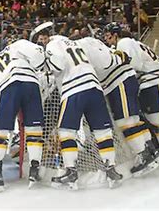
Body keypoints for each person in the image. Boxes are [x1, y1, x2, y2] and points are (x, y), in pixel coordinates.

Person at [77, 36, 159, 176]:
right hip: (126, 80)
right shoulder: (94, 44)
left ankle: (143, 155)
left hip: (119, 82)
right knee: (134, 119)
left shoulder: (83, 47)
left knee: (126, 121)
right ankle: (150, 149)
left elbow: (104, 64)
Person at [45, 35, 123, 190]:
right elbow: (103, 63)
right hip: (95, 88)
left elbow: (58, 65)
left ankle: (71, 172)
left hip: (73, 89)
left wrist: (48, 63)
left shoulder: (53, 45)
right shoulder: (78, 45)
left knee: (66, 131)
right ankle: (111, 169)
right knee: (103, 132)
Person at [104, 23, 159, 165]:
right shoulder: (131, 42)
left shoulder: (124, 42)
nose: (106, 39)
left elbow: (135, 65)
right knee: (151, 118)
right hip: (150, 82)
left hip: (151, 82)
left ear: (115, 35)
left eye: (108, 36)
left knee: (156, 118)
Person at [0, 39, 46, 189]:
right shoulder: (21, 45)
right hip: (32, 82)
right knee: (34, 130)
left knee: (1, 130)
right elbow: (39, 56)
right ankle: (34, 168)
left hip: (9, 82)